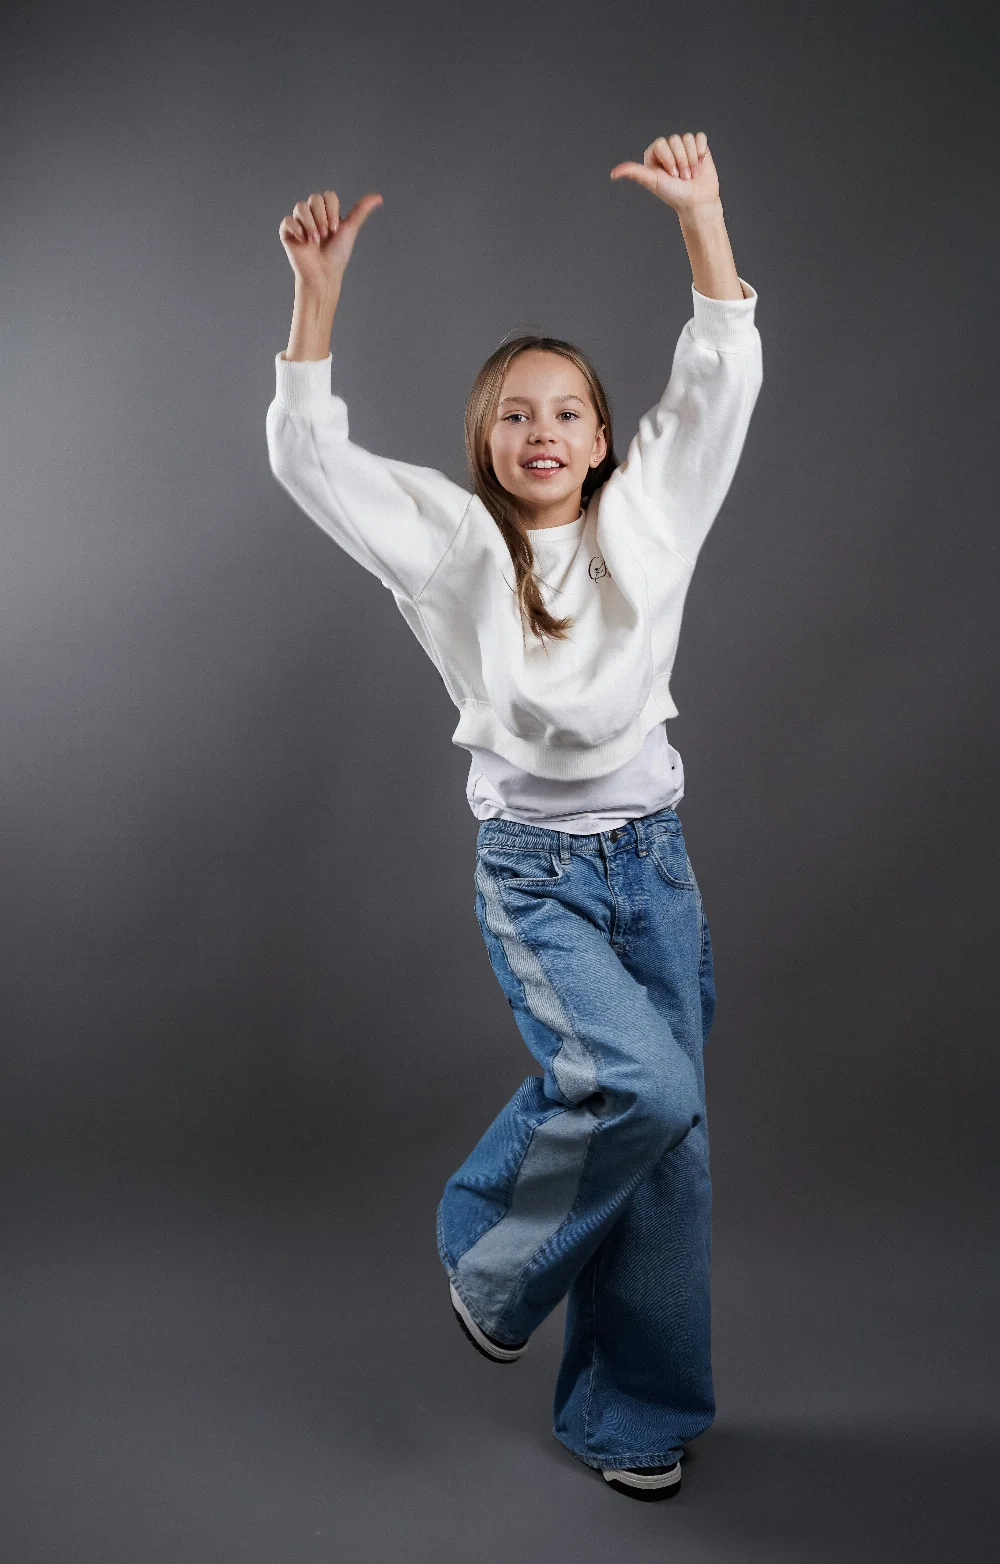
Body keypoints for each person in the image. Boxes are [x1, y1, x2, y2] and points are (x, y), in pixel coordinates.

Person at [266, 131, 763, 1502]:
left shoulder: (650, 517)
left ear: (602, 439)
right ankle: (488, 1255)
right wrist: (316, 300)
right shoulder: (453, 546)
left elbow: (721, 373)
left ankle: (631, 1416)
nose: (542, 432)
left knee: (670, 1147)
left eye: (566, 412)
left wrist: (703, 217)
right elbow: (312, 460)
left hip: (654, 867)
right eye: (513, 416)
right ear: (486, 446)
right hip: (539, 876)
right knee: (642, 1087)